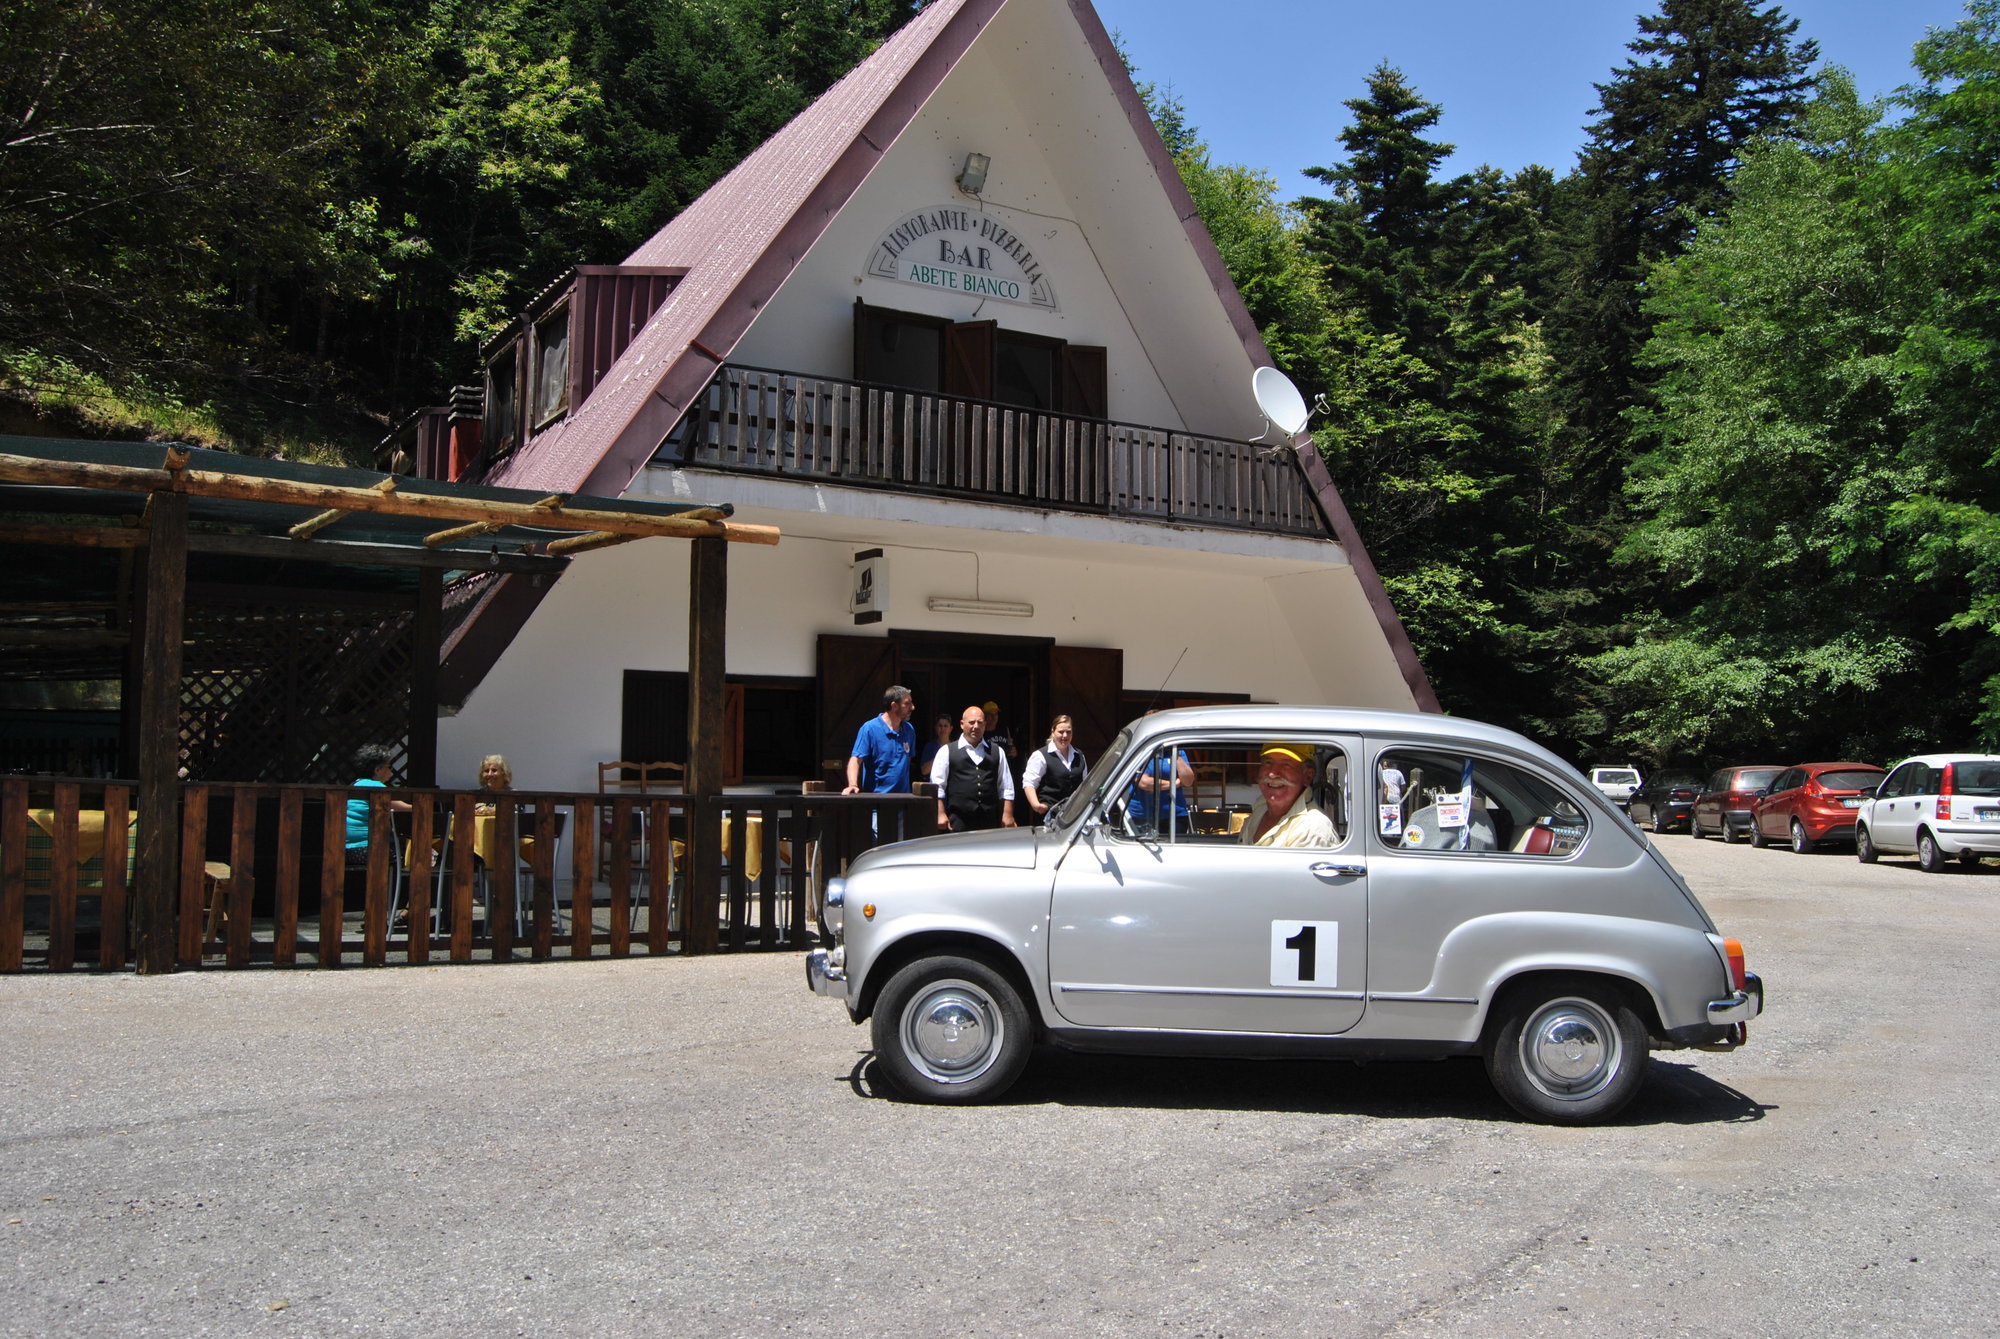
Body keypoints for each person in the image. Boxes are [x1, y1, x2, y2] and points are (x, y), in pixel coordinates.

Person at [930, 703, 1016, 830]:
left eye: (980, 723)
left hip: (989, 820)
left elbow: (1006, 786)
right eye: (971, 722)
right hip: (958, 820)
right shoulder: (946, 751)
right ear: (962, 724)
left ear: (985, 725)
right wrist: (940, 813)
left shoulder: (997, 751)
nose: (976, 726)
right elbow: (938, 785)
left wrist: (1008, 814)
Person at [1241, 743, 1336, 847]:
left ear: (1308, 776)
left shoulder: (1311, 830)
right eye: (1268, 763)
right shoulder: (1260, 807)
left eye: (1286, 765)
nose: (1272, 774)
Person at [345, 743, 413, 880]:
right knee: (400, 858)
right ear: (378, 770)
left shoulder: (355, 784)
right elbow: (403, 807)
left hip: (347, 849)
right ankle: (393, 892)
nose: (391, 771)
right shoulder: (376, 787)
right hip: (368, 848)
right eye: (389, 766)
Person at [844, 685, 917, 794]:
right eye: (907, 703)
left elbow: (908, 759)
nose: (912, 707)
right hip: (877, 799)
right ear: (894, 706)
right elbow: (855, 760)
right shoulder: (870, 729)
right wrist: (853, 785)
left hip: (903, 799)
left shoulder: (909, 729)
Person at [1021, 714, 1086, 820]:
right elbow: (1029, 782)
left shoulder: (1079, 755)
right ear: (1053, 731)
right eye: (1061, 732)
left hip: (1074, 816)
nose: (1065, 735)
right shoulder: (1040, 756)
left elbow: (1085, 784)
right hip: (1049, 816)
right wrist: (1036, 805)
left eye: (1068, 732)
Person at [1126, 740, 1194, 834]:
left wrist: (1176, 756)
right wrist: (1174, 784)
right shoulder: (1143, 750)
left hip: (1176, 814)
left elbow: (1188, 781)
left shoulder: (1179, 752)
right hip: (1143, 816)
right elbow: (1144, 783)